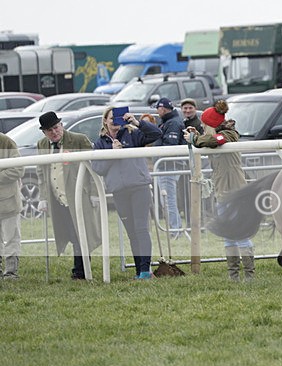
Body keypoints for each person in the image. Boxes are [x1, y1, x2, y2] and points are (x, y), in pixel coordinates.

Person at [187, 100, 256, 281]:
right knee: (228, 236)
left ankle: (249, 275)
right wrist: (197, 137)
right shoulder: (216, 135)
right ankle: (233, 275)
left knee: (240, 234)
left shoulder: (229, 134)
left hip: (237, 193)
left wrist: (195, 140)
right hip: (222, 193)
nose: (202, 126)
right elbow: (208, 140)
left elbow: (213, 141)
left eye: (204, 124)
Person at [91, 107, 162, 279]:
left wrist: (137, 122)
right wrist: (113, 154)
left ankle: (146, 270)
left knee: (141, 228)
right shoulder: (100, 143)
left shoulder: (133, 134)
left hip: (139, 187)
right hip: (119, 191)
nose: (115, 121)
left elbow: (156, 134)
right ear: (105, 121)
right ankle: (140, 271)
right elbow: (98, 168)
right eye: (111, 118)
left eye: (118, 117)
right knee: (131, 232)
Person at [36, 111, 102, 280]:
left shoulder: (79, 139)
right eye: (49, 130)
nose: (54, 132)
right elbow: (42, 173)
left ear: (61, 125)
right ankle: (80, 269)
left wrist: (95, 193)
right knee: (70, 233)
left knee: (82, 233)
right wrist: (43, 197)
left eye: (56, 127)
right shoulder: (42, 144)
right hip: (57, 198)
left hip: (79, 196)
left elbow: (94, 167)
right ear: (44, 132)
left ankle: (80, 271)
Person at [152, 97, 185, 240]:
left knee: (168, 200)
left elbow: (170, 145)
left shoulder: (172, 123)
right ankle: (175, 229)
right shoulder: (170, 121)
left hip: (168, 165)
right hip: (167, 165)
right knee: (167, 200)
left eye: (157, 108)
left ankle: (175, 231)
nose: (157, 111)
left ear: (163, 108)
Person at [0, 131, 24, 279]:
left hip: (8, 201)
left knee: (11, 237)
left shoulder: (6, 142)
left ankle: (11, 271)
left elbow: (18, 168)